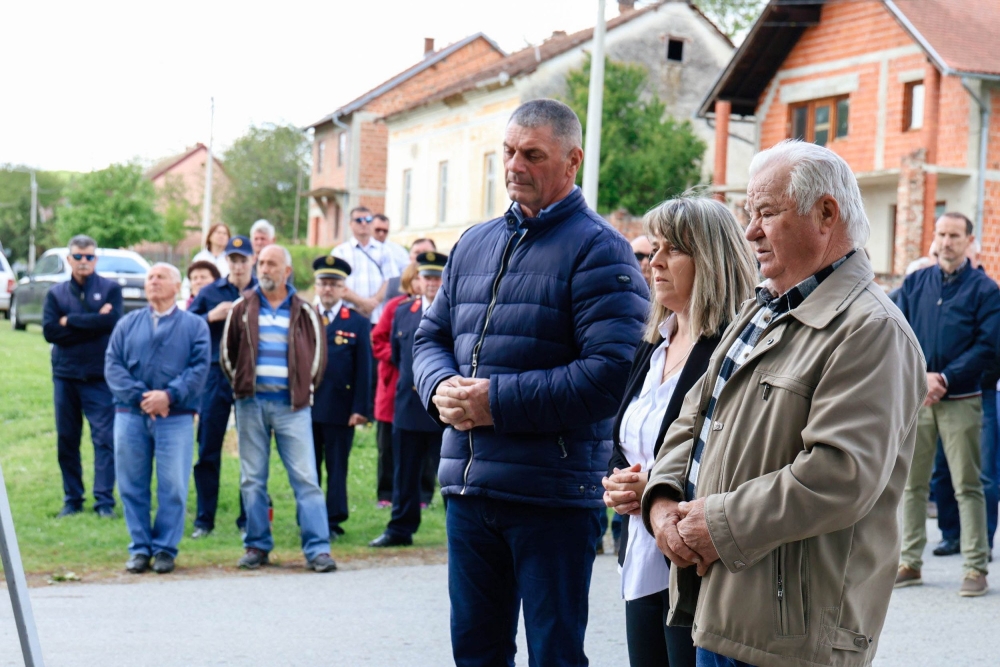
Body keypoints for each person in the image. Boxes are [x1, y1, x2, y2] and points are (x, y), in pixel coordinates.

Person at [640, 140, 926, 667]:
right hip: (723, 605)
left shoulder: (872, 330)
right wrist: (660, 504)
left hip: (791, 634)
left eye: (766, 213)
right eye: (750, 213)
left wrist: (715, 525)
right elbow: (693, 413)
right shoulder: (761, 307)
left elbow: (840, 475)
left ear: (825, 214)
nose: (749, 231)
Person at [413, 99, 648, 666]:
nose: (515, 165)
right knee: (475, 651)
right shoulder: (473, 242)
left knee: (554, 654)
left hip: (553, 495)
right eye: (509, 151)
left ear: (572, 161)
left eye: (533, 154)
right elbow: (428, 338)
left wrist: (496, 402)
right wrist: (438, 386)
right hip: (471, 488)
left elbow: (609, 375)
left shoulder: (601, 250)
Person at [603, 197, 757, 667]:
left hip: (697, 563)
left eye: (674, 250)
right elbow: (624, 439)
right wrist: (619, 484)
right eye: (654, 249)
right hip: (643, 554)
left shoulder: (732, 347)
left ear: (710, 258)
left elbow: (734, 456)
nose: (655, 261)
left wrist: (655, 489)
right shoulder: (654, 343)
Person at [895, 212, 1000, 596]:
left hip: (962, 398)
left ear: (970, 241)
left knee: (967, 485)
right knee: (913, 485)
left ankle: (975, 568)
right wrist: (921, 376)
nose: (947, 241)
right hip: (918, 398)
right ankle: (909, 562)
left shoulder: (985, 290)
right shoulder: (916, 283)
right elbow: (896, 330)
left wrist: (945, 377)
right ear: (933, 237)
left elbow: (988, 346)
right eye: (941, 233)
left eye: (955, 235)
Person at [221, 244, 337, 573]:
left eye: (272, 264)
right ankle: (257, 544)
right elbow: (227, 355)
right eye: (262, 264)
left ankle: (318, 549)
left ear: (287, 272)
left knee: (306, 478)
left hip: (292, 407)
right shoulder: (241, 307)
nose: (265, 269)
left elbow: (318, 358)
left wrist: (303, 390)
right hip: (251, 404)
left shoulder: (304, 311)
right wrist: (243, 386)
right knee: (252, 479)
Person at [104, 263, 210, 574]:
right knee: (131, 484)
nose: (153, 282)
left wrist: (169, 396)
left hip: (174, 417)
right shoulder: (127, 323)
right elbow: (113, 366)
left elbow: (200, 368)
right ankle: (140, 548)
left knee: (173, 485)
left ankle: (165, 549)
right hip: (130, 414)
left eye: (161, 277)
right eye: (150, 277)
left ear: (178, 287)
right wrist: (142, 397)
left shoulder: (194, 326)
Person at [370, 252, 448, 548]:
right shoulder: (403, 311)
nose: (431, 284)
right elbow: (397, 353)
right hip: (407, 402)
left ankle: (461, 532)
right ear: (419, 281)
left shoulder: (457, 311)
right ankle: (400, 528)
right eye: (427, 277)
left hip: (444, 404)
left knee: (452, 472)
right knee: (404, 470)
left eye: (437, 278)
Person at [42, 235, 123, 518]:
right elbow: (51, 332)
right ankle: (72, 498)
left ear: (96, 259)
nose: (84, 262)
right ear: (69, 259)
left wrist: (71, 321)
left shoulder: (111, 289)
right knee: (67, 439)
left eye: (89, 256)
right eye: (78, 256)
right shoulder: (56, 294)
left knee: (104, 439)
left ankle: (104, 501)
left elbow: (111, 323)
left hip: (99, 376)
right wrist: (92, 322)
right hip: (65, 376)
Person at [187, 236, 257, 538]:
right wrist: (209, 317)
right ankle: (205, 520)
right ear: (226, 262)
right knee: (208, 449)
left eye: (243, 260)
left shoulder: (261, 293)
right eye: (233, 260)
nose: (238, 266)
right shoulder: (211, 292)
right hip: (215, 376)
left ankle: (248, 520)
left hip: (251, 377)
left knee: (252, 452)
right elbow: (186, 327)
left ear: (252, 261)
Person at [311, 255, 371, 539]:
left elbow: (364, 370)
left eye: (334, 284)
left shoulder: (357, 323)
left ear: (342, 288)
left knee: (337, 467)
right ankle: (309, 517)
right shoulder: (304, 316)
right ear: (316, 285)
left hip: (340, 408)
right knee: (309, 467)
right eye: (323, 283)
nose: (327, 290)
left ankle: (334, 520)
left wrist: (360, 408)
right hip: (306, 407)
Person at [373, 263, 422, 508]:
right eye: (416, 279)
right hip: (393, 384)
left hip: (419, 389)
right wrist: (398, 356)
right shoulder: (396, 307)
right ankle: (385, 493)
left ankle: (423, 493)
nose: (420, 284)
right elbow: (378, 338)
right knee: (387, 445)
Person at [331, 206, 400, 326]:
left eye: (368, 220)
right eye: (358, 220)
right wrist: (361, 302)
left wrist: (372, 303)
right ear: (351, 224)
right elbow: (337, 283)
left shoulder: (384, 251)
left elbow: (389, 280)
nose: (363, 223)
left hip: (376, 317)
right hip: (347, 315)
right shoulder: (340, 252)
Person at [384, 238, 436, 303]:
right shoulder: (394, 284)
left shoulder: (444, 282)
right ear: (410, 256)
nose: (421, 256)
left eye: (425, 252)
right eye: (417, 252)